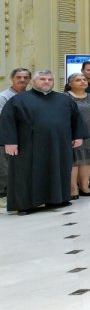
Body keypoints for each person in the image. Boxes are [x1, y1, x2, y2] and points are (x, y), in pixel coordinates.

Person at [0, 70, 86, 214]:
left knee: (58, 170)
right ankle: (25, 205)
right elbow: (7, 121)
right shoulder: (18, 100)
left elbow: (76, 119)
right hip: (28, 146)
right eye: (42, 79)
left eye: (49, 79)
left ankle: (58, 199)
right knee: (26, 173)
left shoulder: (64, 99)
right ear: (33, 82)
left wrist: (78, 136)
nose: (46, 82)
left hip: (59, 144)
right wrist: (10, 142)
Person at [64, 73, 90, 199]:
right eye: (78, 80)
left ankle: (84, 187)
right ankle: (73, 189)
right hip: (73, 134)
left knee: (87, 160)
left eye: (84, 80)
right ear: (70, 84)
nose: (82, 82)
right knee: (74, 161)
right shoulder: (65, 97)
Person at [0, 68, 31, 206]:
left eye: (25, 77)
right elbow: (4, 119)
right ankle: (4, 195)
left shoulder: (31, 95)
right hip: (7, 137)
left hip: (26, 138)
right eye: (19, 77)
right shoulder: (3, 97)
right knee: (6, 167)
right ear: (12, 79)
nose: (22, 80)